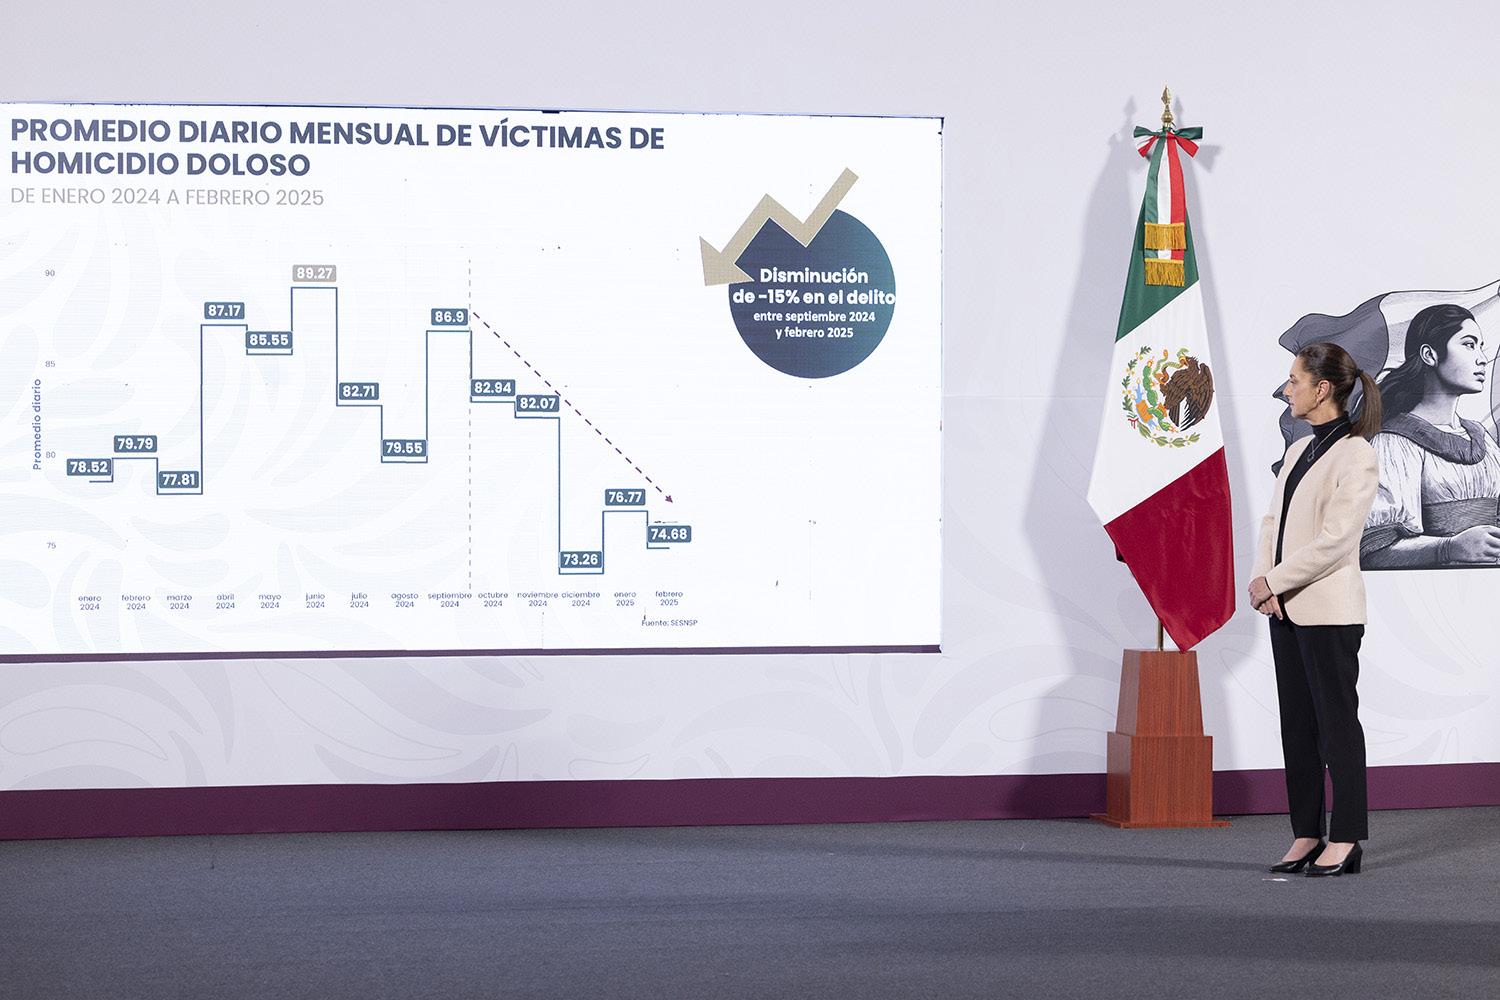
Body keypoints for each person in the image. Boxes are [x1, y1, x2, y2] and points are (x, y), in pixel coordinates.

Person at [1249, 342, 1382, 877]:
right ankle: (1306, 833)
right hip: (1285, 609)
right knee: (1297, 727)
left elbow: (1336, 541)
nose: (1287, 390)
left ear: (1322, 388)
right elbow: (1272, 522)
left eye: (1294, 381)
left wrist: (1274, 580)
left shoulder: (1356, 454)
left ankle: (1346, 838)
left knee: (1336, 727)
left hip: (1329, 612)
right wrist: (1263, 581)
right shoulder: (1301, 449)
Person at [1361, 303, 1500, 567]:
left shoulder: (1482, 439)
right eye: (1469, 345)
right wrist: (1448, 548)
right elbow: (1373, 550)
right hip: (1432, 586)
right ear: (1429, 355)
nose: (1482, 358)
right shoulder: (1394, 443)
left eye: (1481, 346)